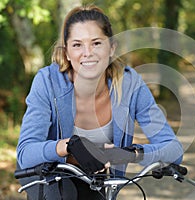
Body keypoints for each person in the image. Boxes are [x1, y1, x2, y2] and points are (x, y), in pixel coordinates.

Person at [16, 4, 183, 200]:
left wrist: (132, 153)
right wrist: (68, 145)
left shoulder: (129, 84)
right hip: (49, 178)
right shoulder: (48, 82)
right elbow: (25, 153)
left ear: (111, 48)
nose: (88, 53)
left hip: (97, 181)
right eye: (77, 45)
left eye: (96, 43)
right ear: (67, 53)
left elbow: (174, 149)